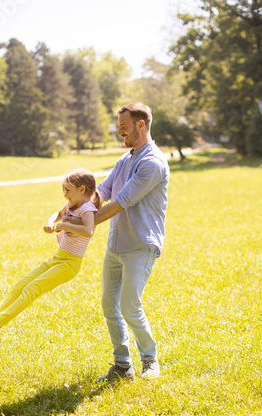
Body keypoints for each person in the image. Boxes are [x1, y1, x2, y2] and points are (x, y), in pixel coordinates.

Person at [66, 103, 170, 381]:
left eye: (124, 127)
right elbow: (103, 192)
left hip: (140, 244)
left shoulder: (152, 162)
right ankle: (123, 366)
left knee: (129, 306)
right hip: (116, 245)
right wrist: (75, 206)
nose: (120, 132)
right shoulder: (125, 159)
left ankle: (150, 360)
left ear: (140, 124)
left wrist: (81, 223)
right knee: (110, 305)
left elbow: (120, 203)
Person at [0, 169, 101, 336]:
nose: (65, 195)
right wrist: (51, 221)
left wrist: (64, 226)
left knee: (33, 288)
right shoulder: (72, 205)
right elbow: (58, 213)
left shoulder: (86, 208)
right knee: (21, 284)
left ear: (82, 189)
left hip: (70, 264)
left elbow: (88, 230)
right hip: (58, 257)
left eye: (68, 191)